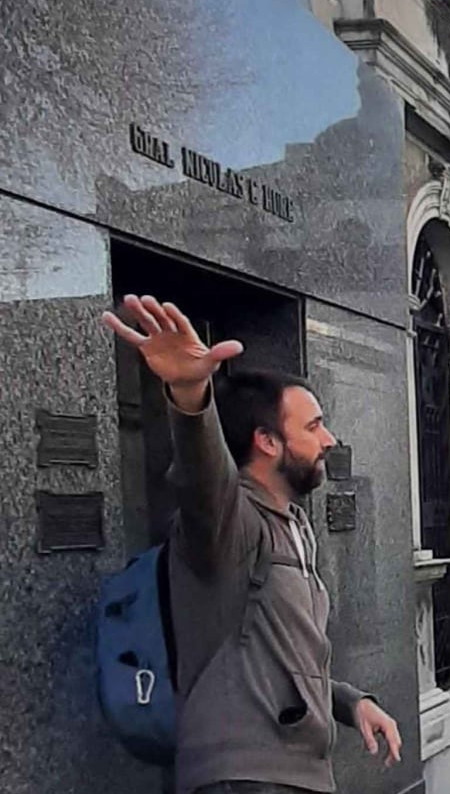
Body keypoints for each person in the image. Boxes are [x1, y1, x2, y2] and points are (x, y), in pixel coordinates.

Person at [102, 295, 401, 794]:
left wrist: (351, 703)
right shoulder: (231, 521)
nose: (328, 439)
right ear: (267, 441)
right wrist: (190, 395)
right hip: (245, 778)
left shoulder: (294, 525)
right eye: (313, 426)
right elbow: (203, 480)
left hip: (295, 772)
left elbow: (284, 658)